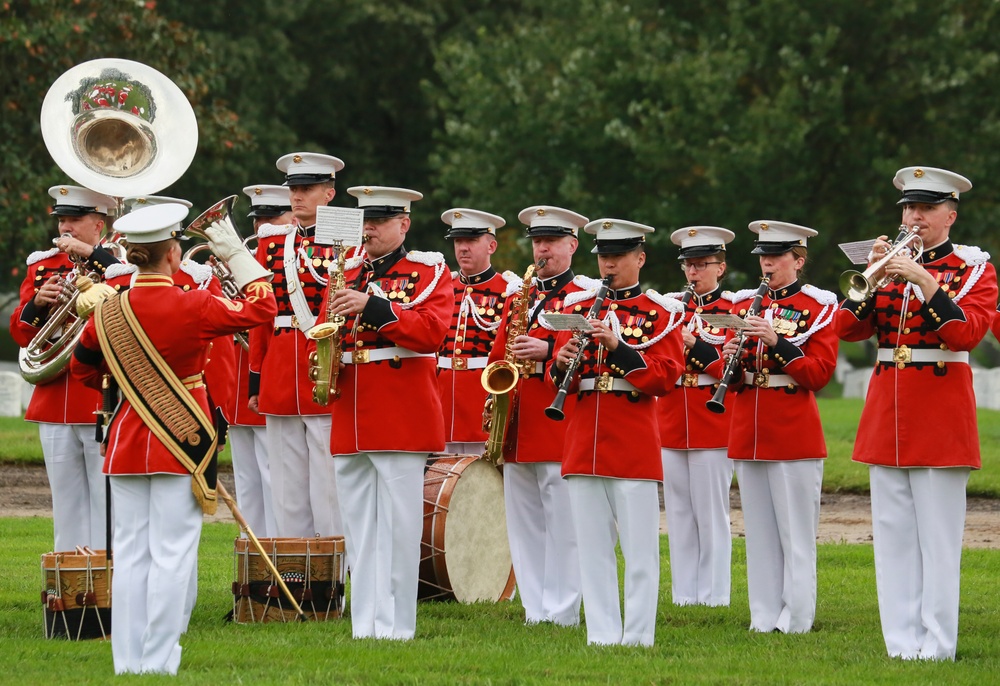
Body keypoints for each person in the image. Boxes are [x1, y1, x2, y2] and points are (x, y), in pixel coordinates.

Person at [70, 203, 276, 675]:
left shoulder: (107, 310)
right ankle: (159, 661)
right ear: (173, 255)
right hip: (180, 444)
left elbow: (82, 368)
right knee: (171, 556)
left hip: (123, 445)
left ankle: (126, 662)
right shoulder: (193, 304)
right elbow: (262, 306)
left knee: (131, 556)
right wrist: (233, 253)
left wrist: (125, 378)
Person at [835, 166, 998, 660]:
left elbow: (966, 335)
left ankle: (939, 644)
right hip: (889, 409)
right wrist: (877, 270)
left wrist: (925, 280)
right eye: (908, 208)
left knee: (939, 540)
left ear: (949, 215)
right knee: (893, 537)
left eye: (924, 208)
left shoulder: (974, 269)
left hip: (941, 411)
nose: (914, 216)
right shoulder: (888, 264)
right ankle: (902, 642)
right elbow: (845, 328)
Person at [315, 185, 452, 640]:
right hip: (351, 409)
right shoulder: (345, 270)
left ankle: (397, 626)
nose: (369, 228)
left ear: (404, 224)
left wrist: (373, 306)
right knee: (359, 527)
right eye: (365, 220)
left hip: (400, 411)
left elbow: (432, 332)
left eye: (380, 220)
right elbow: (323, 331)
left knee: (399, 524)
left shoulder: (428, 271)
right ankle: (365, 624)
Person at [550, 218, 685, 646]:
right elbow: (560, 378)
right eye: (603, 257)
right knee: (591, 549)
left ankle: (639, 635)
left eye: (617, 257)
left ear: (639, 258)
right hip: (583, 435)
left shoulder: (661, 311)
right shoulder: (577, 308)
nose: (607, 265)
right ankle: (603, 634)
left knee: (639, 550)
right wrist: (561, 361)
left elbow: (666, 378)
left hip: (632, 438)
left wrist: (617, 347)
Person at [713, 220, 838, 634]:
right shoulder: (744, 303)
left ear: (798, 260)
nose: (766, 263)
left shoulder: (817, 306)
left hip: (792, 429)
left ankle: (798, 617)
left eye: (776, 255)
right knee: (761, 534)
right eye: (763, 256)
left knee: (795, 534)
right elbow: (725, 374)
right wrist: (727, 357)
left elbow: (819, 374)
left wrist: (778, 343)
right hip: (749, 426)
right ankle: (763, 616)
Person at [486, 204, 596, 626]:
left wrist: (548, 350)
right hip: (517, 417)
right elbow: (499, 352)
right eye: (537, 242)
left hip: (557, 416)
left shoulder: (584, 294)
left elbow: (585, 350)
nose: (542, 250)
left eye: (551, 242)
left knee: (562, 522)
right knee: (525, 522)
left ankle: (564, 609)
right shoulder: (519, 295)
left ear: (572, 245)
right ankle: (535, 608)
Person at [10, 185, 119, 551]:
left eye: (75, 219)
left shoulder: (117, 264)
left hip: (100, 397)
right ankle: (69, 587)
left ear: (98, 226)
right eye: (62, 220)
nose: (65, 228)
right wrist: (36, 305)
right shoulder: (42, 266)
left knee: (106, 502)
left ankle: (105, 586)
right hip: (54, 398)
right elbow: (22, 333)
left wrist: (93, 256)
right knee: (66, 503)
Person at [249, 153, 344, 538]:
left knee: (329, 483)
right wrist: (256, 380)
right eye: (294, 189)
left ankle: (333, 574)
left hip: (323, 368)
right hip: (280, 370)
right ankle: (296, 570)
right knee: (286, 486)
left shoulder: (346, 238)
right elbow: (260, 317)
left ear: (330, 193)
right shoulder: (271, 243)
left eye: (307, 189)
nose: (297, 196)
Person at [657, 226, 737, 607]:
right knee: (679, 514)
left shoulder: (735, 309)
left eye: (702, 265)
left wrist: (696, 345)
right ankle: (684, 595)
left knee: (711, 514)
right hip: (672, 418)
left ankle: (715, 594)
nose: (693, 272)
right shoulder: (671, 307)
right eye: (688, 265)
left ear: (720, 268)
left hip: (713, 420)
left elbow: (733, 371)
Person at [222, 184, 294, 538]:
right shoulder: (249, 257)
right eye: (258, 219)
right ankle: (253, 556)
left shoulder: (292, 259)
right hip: (241, 382)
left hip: (273, 374)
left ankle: (281, 550)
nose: (261, 228)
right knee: (247, 482)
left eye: (271, 218)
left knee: (274, 479)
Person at [437, 207, 512, 455]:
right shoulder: (442, 287)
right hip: (442, 399)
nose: (463, 248)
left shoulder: (508, 290)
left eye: (471, 240)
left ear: (491, 246)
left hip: (484, 398)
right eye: (458, 241)